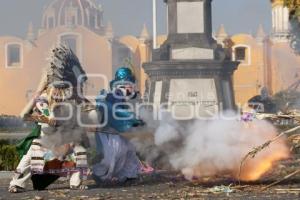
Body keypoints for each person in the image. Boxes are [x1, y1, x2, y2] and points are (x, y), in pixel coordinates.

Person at [8, 46, 91, 192]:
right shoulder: (43, 100)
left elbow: (86, 117)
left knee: (80, 150)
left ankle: (76, 182)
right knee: (32, 151)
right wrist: (45, 118)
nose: (59, 92)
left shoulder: (73, 102)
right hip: (46, 141)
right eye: (56, 88)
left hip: (66, 142)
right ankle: (17, 183)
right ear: (49, 87)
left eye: (63, 88)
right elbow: (24, 115)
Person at [92, 67, 146, 184]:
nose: (132, 87)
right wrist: (133, 119)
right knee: (115, 153)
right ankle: (100, 175)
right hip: (109, 132)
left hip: (118, 132)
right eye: (130, 84)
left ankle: (129, 176)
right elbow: (115, 113)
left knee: (128, 150)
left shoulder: (124, 96)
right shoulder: (116, 95)